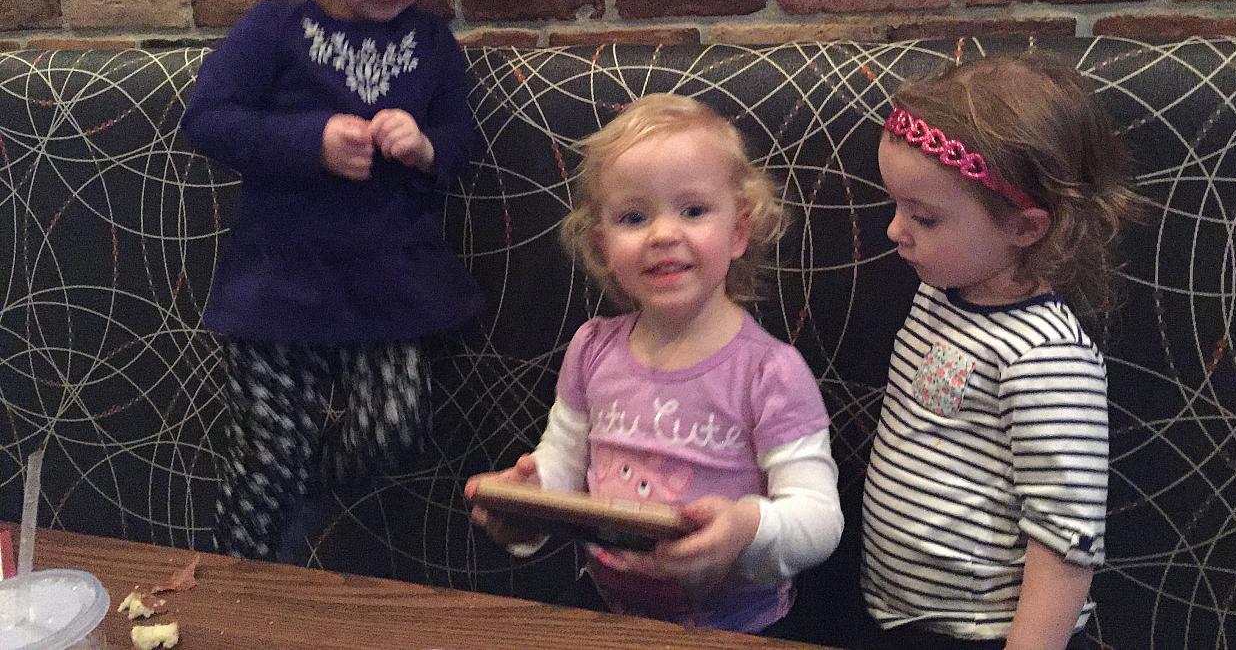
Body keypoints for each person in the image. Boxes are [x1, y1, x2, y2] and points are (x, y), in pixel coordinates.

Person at [182, 0, 482, 561]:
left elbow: (460, 141)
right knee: (265, 459)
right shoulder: (274, 28)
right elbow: (208, 118)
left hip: (391, 287)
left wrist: (423, 146)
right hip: (277, 286)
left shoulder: (432, 44)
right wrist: (309, 140)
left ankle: (307, 498)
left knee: (393, 428)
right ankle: (235, 587)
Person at [466, 93, 843, 636]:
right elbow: (562, 467)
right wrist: (528, 502)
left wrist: (744, 527)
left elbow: (820, 520)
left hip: (738, 627)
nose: (663, 234)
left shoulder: (771, 373)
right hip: (608, 616)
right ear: (603, 244)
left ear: (739, 230)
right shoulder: (591, 349)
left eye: (693, 210)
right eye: (634, 217)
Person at [862, 53, 1138, 650]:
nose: (894, 230)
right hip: (901, 615)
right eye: (897, 206)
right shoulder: (939, 294)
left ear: (1024, 228)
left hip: (986, 633)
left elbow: (1065, 541)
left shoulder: (1047, 358)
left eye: (924, 218)